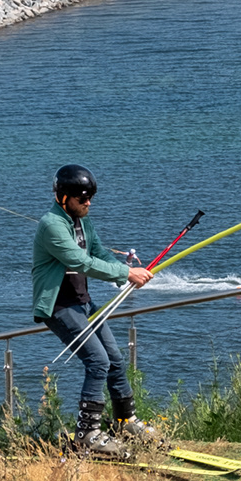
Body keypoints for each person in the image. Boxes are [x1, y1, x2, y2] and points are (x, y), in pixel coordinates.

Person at [32, 164, 151, 458]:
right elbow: (79, 262)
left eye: (91, 197)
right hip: (59, 307)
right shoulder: (51, 225)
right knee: (97, 362)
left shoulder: (83, 223)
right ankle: (87, 435)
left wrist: (128, 271)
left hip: (84, 303)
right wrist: (126, 274)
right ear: (63, 197)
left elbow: (98, 253)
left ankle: (126, 423)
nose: (88, 203)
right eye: (82, 198)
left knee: (114, 359)